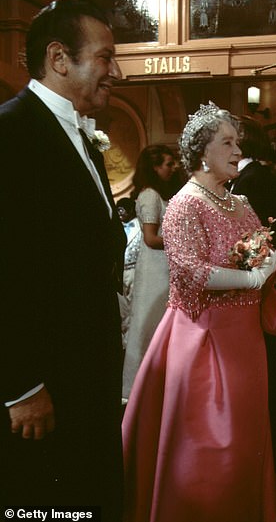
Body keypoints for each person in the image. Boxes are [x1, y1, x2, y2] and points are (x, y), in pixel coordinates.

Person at [122, 102, 276, 522]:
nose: (237, 151)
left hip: (246, 340)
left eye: (238, 142)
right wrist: (251, 279)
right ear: (201, 152)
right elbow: (191, 272)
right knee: (213, 448)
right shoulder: (183, 204)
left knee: (247, 437)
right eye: (227, 142)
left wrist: (271, 263)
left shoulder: (241, 202)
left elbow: (262, 249)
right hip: (203, 340)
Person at [0, 0, 125, 516]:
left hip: (88, 372)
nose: (116, 72)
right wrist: (21, 387)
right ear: (59, 58)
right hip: (43, 383)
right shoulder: (11, 132)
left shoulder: (84, 136)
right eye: (105, 57)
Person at [229, 114, 276, 472]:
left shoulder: (253, 180)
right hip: (249, 294)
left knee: (268, 379)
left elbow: (257, 244)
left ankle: (273, 458)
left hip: (259, 295)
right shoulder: (245, 179)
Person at [121, 144, 178, 399]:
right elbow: (151, 238)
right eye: (168, 163)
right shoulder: (149, 196)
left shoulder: (159, 194)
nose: (173, 168)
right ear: (155, 167)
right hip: (156, 269)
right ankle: (145, 389)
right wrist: (184, 240)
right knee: (152, 321)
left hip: (165, 266)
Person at [116, 197, 142, 347]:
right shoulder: (118, 227)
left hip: (134, 270)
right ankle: (124, 338)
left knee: (133, 303)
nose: (120, 213)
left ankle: (132, 339)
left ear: (130, 210)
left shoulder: (140, 227)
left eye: (122, 210)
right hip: (120, 272)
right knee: (122, 305)